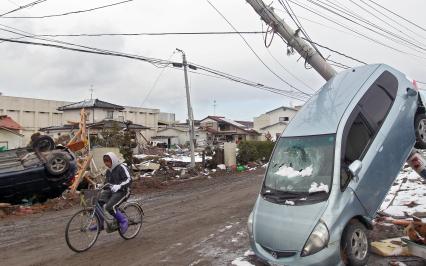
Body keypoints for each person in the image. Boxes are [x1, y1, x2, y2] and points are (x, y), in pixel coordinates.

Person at [96, 152, 131, 233]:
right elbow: (107, 183)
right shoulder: (108, 171)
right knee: (98, 203)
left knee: (110, 207)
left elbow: (129, 179)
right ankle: (100, 224)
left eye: (108, 161)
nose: (106, 163)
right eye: (105, 162)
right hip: (112, 191)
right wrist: (100, 185)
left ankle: (123, 221)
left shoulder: (121, 167)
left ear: (113, 160)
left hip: (123, 191)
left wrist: (119, 186)